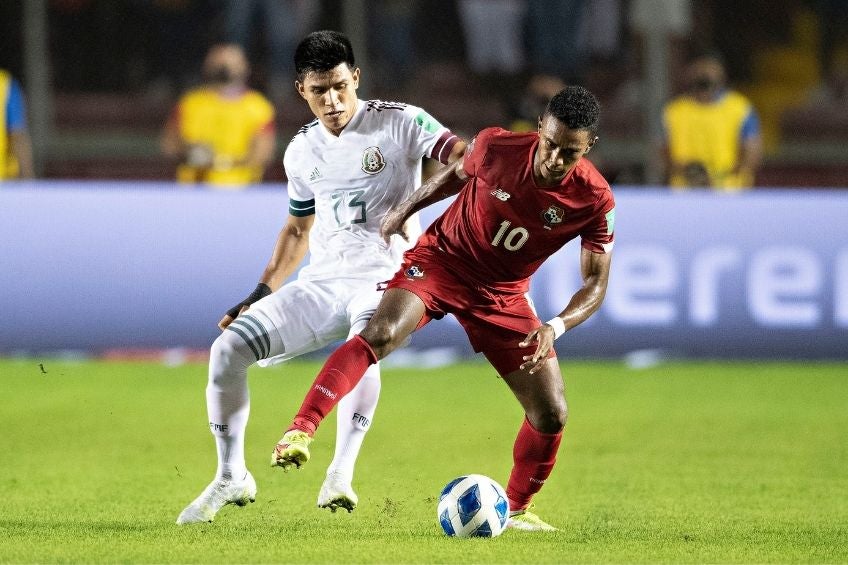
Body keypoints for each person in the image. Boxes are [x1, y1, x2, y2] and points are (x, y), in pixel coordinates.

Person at [272, 86, 615, 532]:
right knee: (381, 333)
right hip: (442, 263)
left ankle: (515, 508)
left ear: (589, 147)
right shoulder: (496, 146)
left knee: (552, 412)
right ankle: (301, 429)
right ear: (538, 129)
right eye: (550, 144)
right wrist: (406, 207)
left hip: (502, 295)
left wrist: (555, 325)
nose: (554, 159)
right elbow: (457, 173)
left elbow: (595, 282)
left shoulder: (594, 198)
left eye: (569, 152)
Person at [176, 30, 465, 525]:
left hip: (388, 278)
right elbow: (297, 228)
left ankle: (340, 473)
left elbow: (466, 157)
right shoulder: (300, 151)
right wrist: (261, 291)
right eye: (318, 90)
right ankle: (230, 475)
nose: (331, 101)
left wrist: (414, 204)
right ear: (300, 90)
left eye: (339, 86)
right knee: (226, 351)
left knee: (366, 343)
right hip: (322, 282)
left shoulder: (401, 121)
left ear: (356, 77)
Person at [160, 43, 276, 188]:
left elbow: (262, 154)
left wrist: (221, 163)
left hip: (240, 190)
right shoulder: (190, 103)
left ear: (245, 66)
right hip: (193, 190)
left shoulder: (257, 107)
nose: (224, 66)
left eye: (230, 61)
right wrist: (190, 153)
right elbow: (169, 146)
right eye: (218, 61)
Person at [661, 52, 763, 190]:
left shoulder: (740, 109)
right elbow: (662, 152)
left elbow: (752, 152)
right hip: (684, 193)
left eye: (709, 68)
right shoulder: (674, 112)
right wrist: (686, 171)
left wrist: (722, 176)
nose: (704, 73)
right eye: (699, 68)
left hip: (729, 193)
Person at [1, 68, 34, 180]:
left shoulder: (5, 85)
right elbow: (18, 136)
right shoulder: (4, 84)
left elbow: (17, 135)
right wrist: (28, 178)